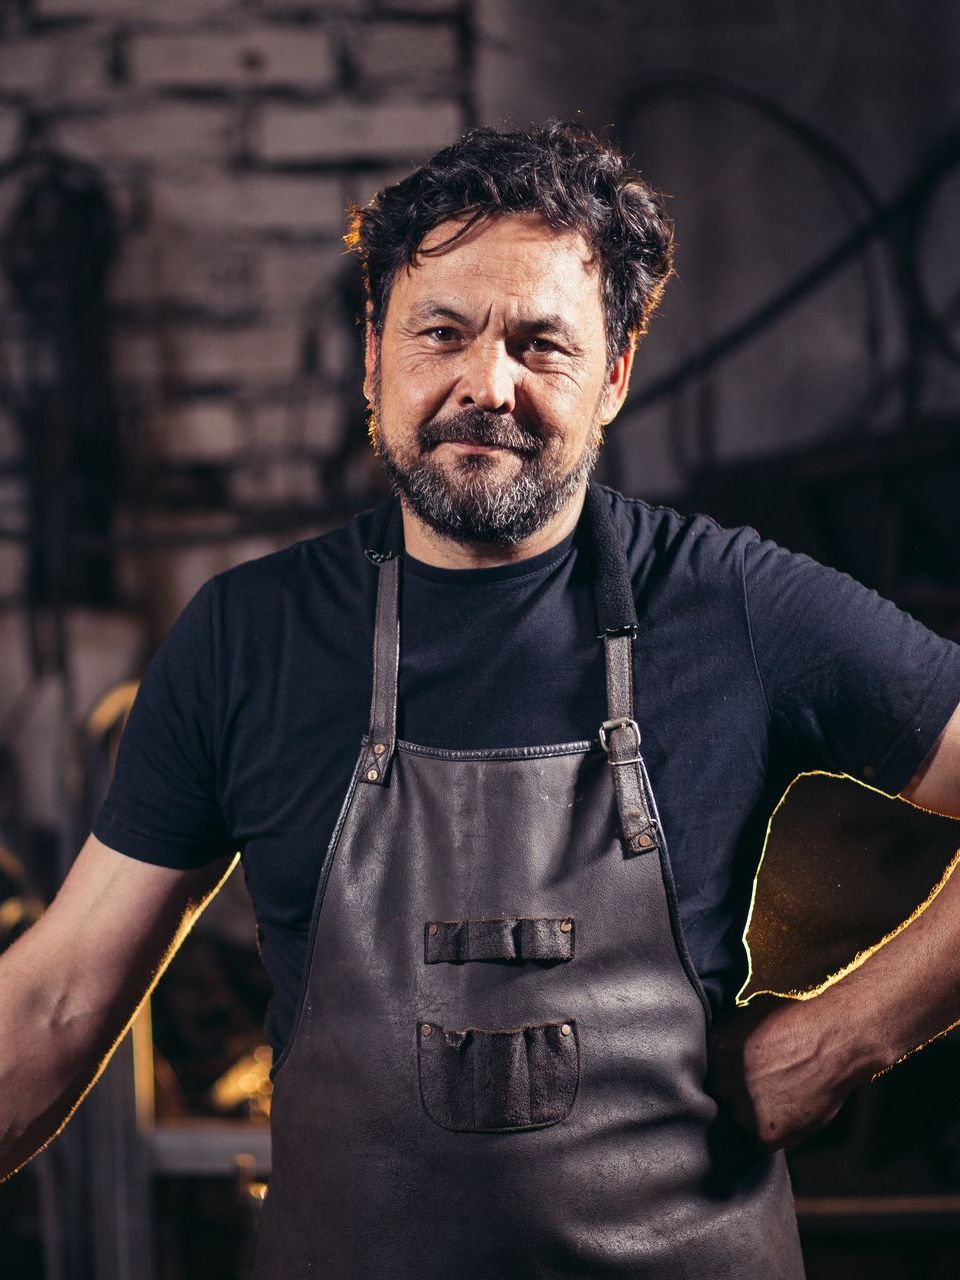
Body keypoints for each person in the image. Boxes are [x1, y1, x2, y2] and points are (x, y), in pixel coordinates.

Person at [2, 121, 960, 1277]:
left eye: (541, 344)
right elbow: (53, 1005)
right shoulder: (244, 638)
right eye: (442, 332)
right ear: (374, 358)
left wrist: (846, 1037)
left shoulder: (733, 603)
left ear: (612, 376)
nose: (485, 385)